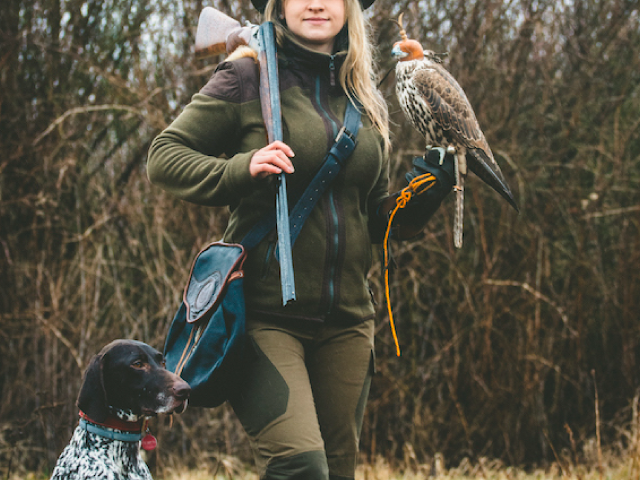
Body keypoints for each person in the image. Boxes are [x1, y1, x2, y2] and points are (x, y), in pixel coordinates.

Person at [147, 0, 454, 478]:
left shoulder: (363, 96)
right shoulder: (248, 76)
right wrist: (241, 167)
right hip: (264, 318)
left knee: (336, 471)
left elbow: (374, 220)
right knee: (302, 468)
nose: (315, 2)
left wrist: (428, 188)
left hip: (349, 322)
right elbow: (164, 156)